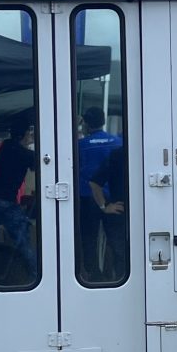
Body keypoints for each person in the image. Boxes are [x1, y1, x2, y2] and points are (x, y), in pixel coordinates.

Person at [75, 107, 124, 282]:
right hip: (113, 198)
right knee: (115, 240)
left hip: (87, 197)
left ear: (86, 123)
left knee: (89, 238)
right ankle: (118, 275)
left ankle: (93, 276)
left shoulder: (80, 145)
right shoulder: (118, 143)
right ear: (103, 121)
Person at [0, 117, 38, 282]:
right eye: (29, 133)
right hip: (8, 203)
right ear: (23, 134)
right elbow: (40, 164)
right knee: (24, 242)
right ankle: (35, 276)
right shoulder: (24, 154)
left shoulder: (6, 146)